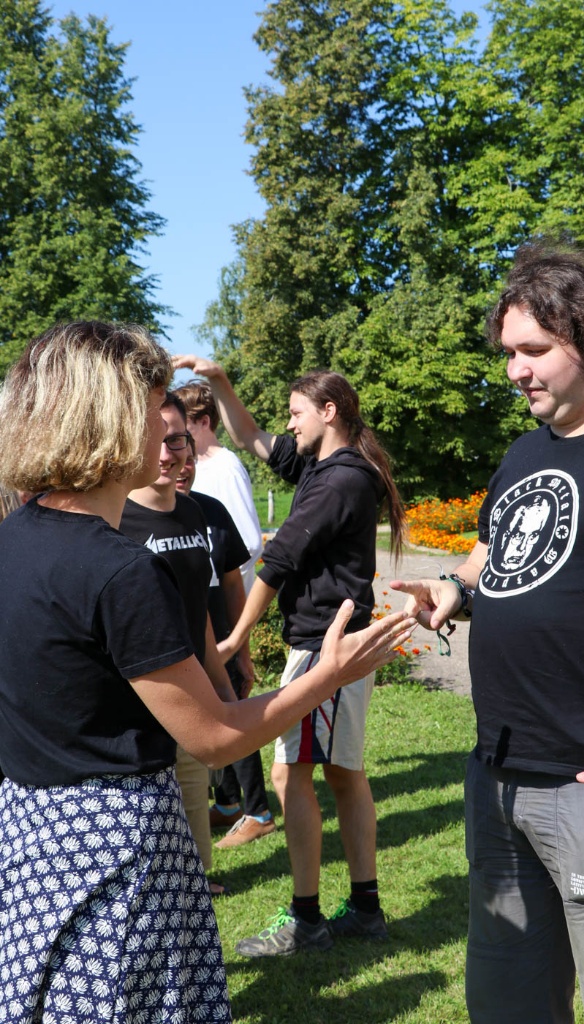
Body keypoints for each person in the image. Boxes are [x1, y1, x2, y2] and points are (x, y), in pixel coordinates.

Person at [0, 321, 414, 1022]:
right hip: (116, 857)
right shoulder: (117, 569)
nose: (167, 432)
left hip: (32, 843)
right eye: (152, 411)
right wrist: (328, 674)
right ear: (107, 419)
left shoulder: (17, 536)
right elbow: (217, 739)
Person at [392, 242, 584, 1024]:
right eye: (508, 354)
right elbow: (494, 551)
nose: (515, 370)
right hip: (498, 782)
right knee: (506, 1005)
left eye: (533, 350)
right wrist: (453, 588)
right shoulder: (526, 451)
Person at [172, 354, 405, 957]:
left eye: (298, 413)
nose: (290, 424)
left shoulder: (338, 480)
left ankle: (307, 920)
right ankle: (366, 908)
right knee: (343, 773)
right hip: (335, 642)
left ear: (330, 412)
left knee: (289, 773)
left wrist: (233, 639)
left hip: (325, 646)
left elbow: (277, 562)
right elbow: (252, 437)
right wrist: (219, 380)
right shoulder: (320, 464)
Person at [119, 390, 238, 888]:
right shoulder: (116, 520)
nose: (168, 454)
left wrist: (222, 684)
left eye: (178, 441)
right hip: (138, 711)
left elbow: (197, 607)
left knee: (195, 845)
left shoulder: (192, 513)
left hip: (193, 698)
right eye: (159, 440)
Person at [175, 439, 276, 848]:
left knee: (232, 716)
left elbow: (234, 585)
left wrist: (242, 650)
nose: (182, 467)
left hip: (219, 634)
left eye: (189, 458)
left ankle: (258, 812)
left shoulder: (211, 511)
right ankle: (230, 803)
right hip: (178, 639)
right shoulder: (140, 513)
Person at [173, 378, 263, 592]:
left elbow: (249, 544)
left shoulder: (225, 468)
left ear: (204, 422)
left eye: (183, 422)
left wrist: (217, 586)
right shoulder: (194, 466)